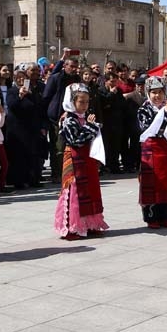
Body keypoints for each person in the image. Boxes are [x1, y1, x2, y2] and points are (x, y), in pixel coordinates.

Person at [54, 83, 109, 240]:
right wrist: (91, 128)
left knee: (90, 190)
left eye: (86, 102)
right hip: (75, 160)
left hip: (87, 159)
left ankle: (89, 224)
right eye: (81, 102)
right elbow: (76, 140)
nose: (85, 105)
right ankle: (73, 226)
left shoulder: (84, 118)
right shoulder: (68, 119)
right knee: (76, 192)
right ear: (72, 102)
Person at [138, 77, 167, 229]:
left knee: (166, 182)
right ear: (148, 93)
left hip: (165, 148)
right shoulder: (143, 110)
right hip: (151, 148)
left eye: (160, 92)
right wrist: (165, 115)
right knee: (152, 182)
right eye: (153, 92)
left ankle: (164, 216)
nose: (157, 96)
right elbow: (149, 128)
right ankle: (151, 217)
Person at [6, 64, 47, 189]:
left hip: (31, 128)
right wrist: (20, 96)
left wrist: (42, 126)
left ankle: (33, 179)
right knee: (18, 156)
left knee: (32, 155)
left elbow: (38, 108)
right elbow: (12, 105)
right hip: (17, 129)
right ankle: (18, 181)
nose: (21, 80)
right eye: (18, 78)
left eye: (23, 78)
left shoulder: (32, 92)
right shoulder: (12, 91)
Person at [42, 51, 81, 182]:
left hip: (72, 116)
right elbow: (46, 97)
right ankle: (56, 173)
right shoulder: (56, 78)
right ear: (65, 66)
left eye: (76, 67)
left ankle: (68, 171)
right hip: (56, 117)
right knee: (58, 146)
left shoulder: (77, 80)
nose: (74, 69)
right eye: (72, 67)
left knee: (71, 146)